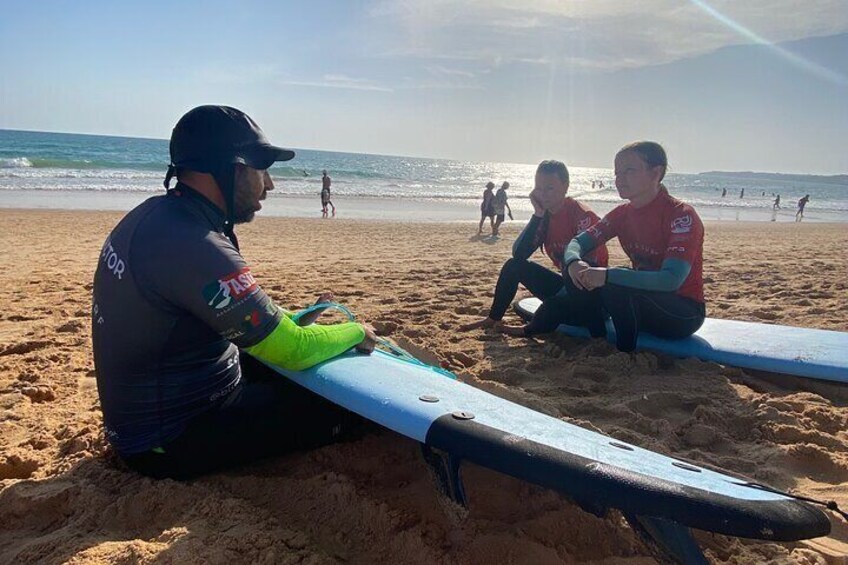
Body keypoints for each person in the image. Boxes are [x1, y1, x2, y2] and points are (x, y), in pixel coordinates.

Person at [91, 105, 378, 480]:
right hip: (169, 441)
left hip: (162, 406)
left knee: (294, 364)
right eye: (263, 171)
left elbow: (231, 315)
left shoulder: (158, 216)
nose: (270, 185)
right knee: (344, 408)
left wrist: (296, 318)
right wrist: (358, 332)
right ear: (234, 168)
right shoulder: (194, 243)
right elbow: (293, 350)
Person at [563, 141, 706, 353]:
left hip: (682, 313)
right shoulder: (621, 214)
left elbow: (671, 280)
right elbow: (577, 243)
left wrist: (607, 276)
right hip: (641, 305)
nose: (619, 180)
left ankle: (624, 354)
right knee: (580, 270)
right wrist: (574, 263)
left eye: (629, 171)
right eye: (617, 173)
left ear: (655, 173)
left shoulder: (681, 215)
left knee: (614, 280)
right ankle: (597, 337)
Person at [461, 160, 608, 336]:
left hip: (591, 299)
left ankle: (527, 331)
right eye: (539, 188)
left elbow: (588, 273)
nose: (543, 195)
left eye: (549, 188)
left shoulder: (583, 216)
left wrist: (560, 297)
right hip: (566, 290)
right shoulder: (545, 216)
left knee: (553, 304)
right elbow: (519, 254)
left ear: (565, 186)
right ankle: (494, 318)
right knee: (513, 266)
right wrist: (538, 215)